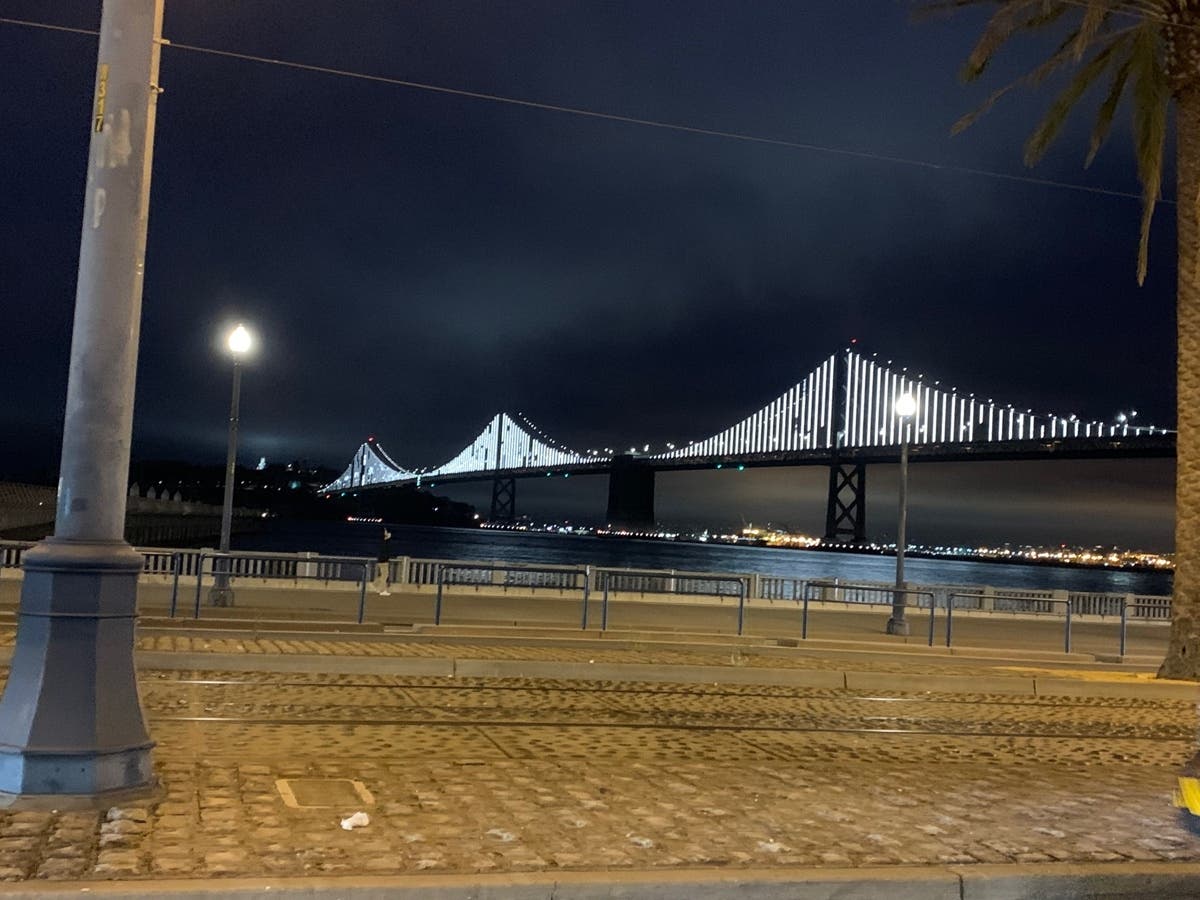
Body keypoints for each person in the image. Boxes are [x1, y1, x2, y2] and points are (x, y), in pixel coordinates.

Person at [378, 527, 393, 596]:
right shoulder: (384, 542)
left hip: (382, 560)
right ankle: (382, 590)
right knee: (384, 576)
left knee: (383, 576)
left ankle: (380, 588)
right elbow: (384, 552)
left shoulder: (383, 542)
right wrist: (386, 559)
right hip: (383, 561)